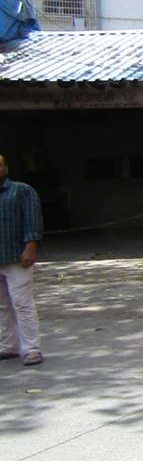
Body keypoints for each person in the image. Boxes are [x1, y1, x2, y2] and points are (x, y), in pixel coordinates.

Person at [0, 153, 44, 365]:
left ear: (5, 168)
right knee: (2, 306)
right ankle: (8, 346)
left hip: (16, 258)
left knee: (22, 304)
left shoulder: (21, 190)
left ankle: (32, 349)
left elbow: (32, 221)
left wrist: (30, 246)